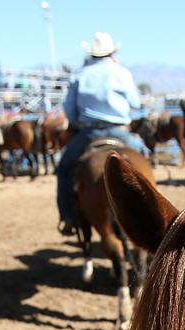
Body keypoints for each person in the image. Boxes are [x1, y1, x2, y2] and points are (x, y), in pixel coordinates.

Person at [55, 31, 147, 235]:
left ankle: (68, 217)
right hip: (119, 131)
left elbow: (70, 111)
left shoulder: (79, 75)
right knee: (144, 158)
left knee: (64, 170)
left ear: (92, 54)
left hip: (88, 133)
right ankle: (153, 211)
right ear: (112, 52)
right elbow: (135, 102)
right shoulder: (122, 72)